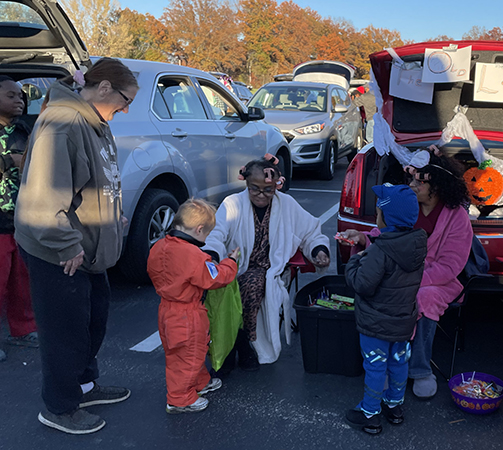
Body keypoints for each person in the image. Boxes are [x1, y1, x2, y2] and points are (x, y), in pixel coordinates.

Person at [14, 58, 138, 434]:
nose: (125, 109)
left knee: (91, 321)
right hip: (59, 251)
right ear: (102, 89)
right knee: (64, 332)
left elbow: (94, 183)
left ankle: (84, 386)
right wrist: (67, 244)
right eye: (124, 100)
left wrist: (112, 217)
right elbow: (43, 196)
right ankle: (60, 407)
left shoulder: (95, 123)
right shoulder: (64, 123)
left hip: (87, 249)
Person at [342, 148, 472, 399]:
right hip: (400, 274)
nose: (412, 185)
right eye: (411, 179)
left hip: (437, 281)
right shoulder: (405, 204)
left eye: (418, 181)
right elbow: (386, 237)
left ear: (436, 184)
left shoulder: (457, 218)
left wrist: (411, 281)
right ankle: (386, 365)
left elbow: (451, 266)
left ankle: (420, 370)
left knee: (423, 297)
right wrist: (361, 238)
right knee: (384, 290)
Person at [203, 155, 330, 370]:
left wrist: (319, 250)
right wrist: (213, 256)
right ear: (246, 184)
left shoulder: (287, 204)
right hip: (235, 266)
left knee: (252, 285)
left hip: (272, 269)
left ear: (276, 187)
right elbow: (216, 234)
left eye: (268, 190)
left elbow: (310, 231)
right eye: (255, 189)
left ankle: (244, 345)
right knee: (231, 284)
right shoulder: (232, 204)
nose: (261, 194)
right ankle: (232, 344)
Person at [344, 184, 427, 434]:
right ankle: (395, 406)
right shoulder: (416, 245)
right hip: (403, 321)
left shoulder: (380, 250)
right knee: (399, 363)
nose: (376, 216)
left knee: (376, 366)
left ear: (385, 217)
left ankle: (370, 413)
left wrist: (355, 259)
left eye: (379, 212)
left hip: (376, 323)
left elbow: (362, 284)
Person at [147, 199, 240, 414]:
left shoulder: (159, 246)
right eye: (206, 234)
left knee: (182, 353)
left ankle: (200, 382)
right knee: (189, 356)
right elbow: (216, 278)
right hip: (188, 313)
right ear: (199, 229)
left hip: (167, 309)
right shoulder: (194, 255)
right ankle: (179, 398)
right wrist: (231, 262)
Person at [0, 76, 36, 362]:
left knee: (21, 278)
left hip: (20, 217)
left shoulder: (24, 129)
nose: (19, 100)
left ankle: (23, 328)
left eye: (21, 96)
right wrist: (8, 161)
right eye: (11, 95)